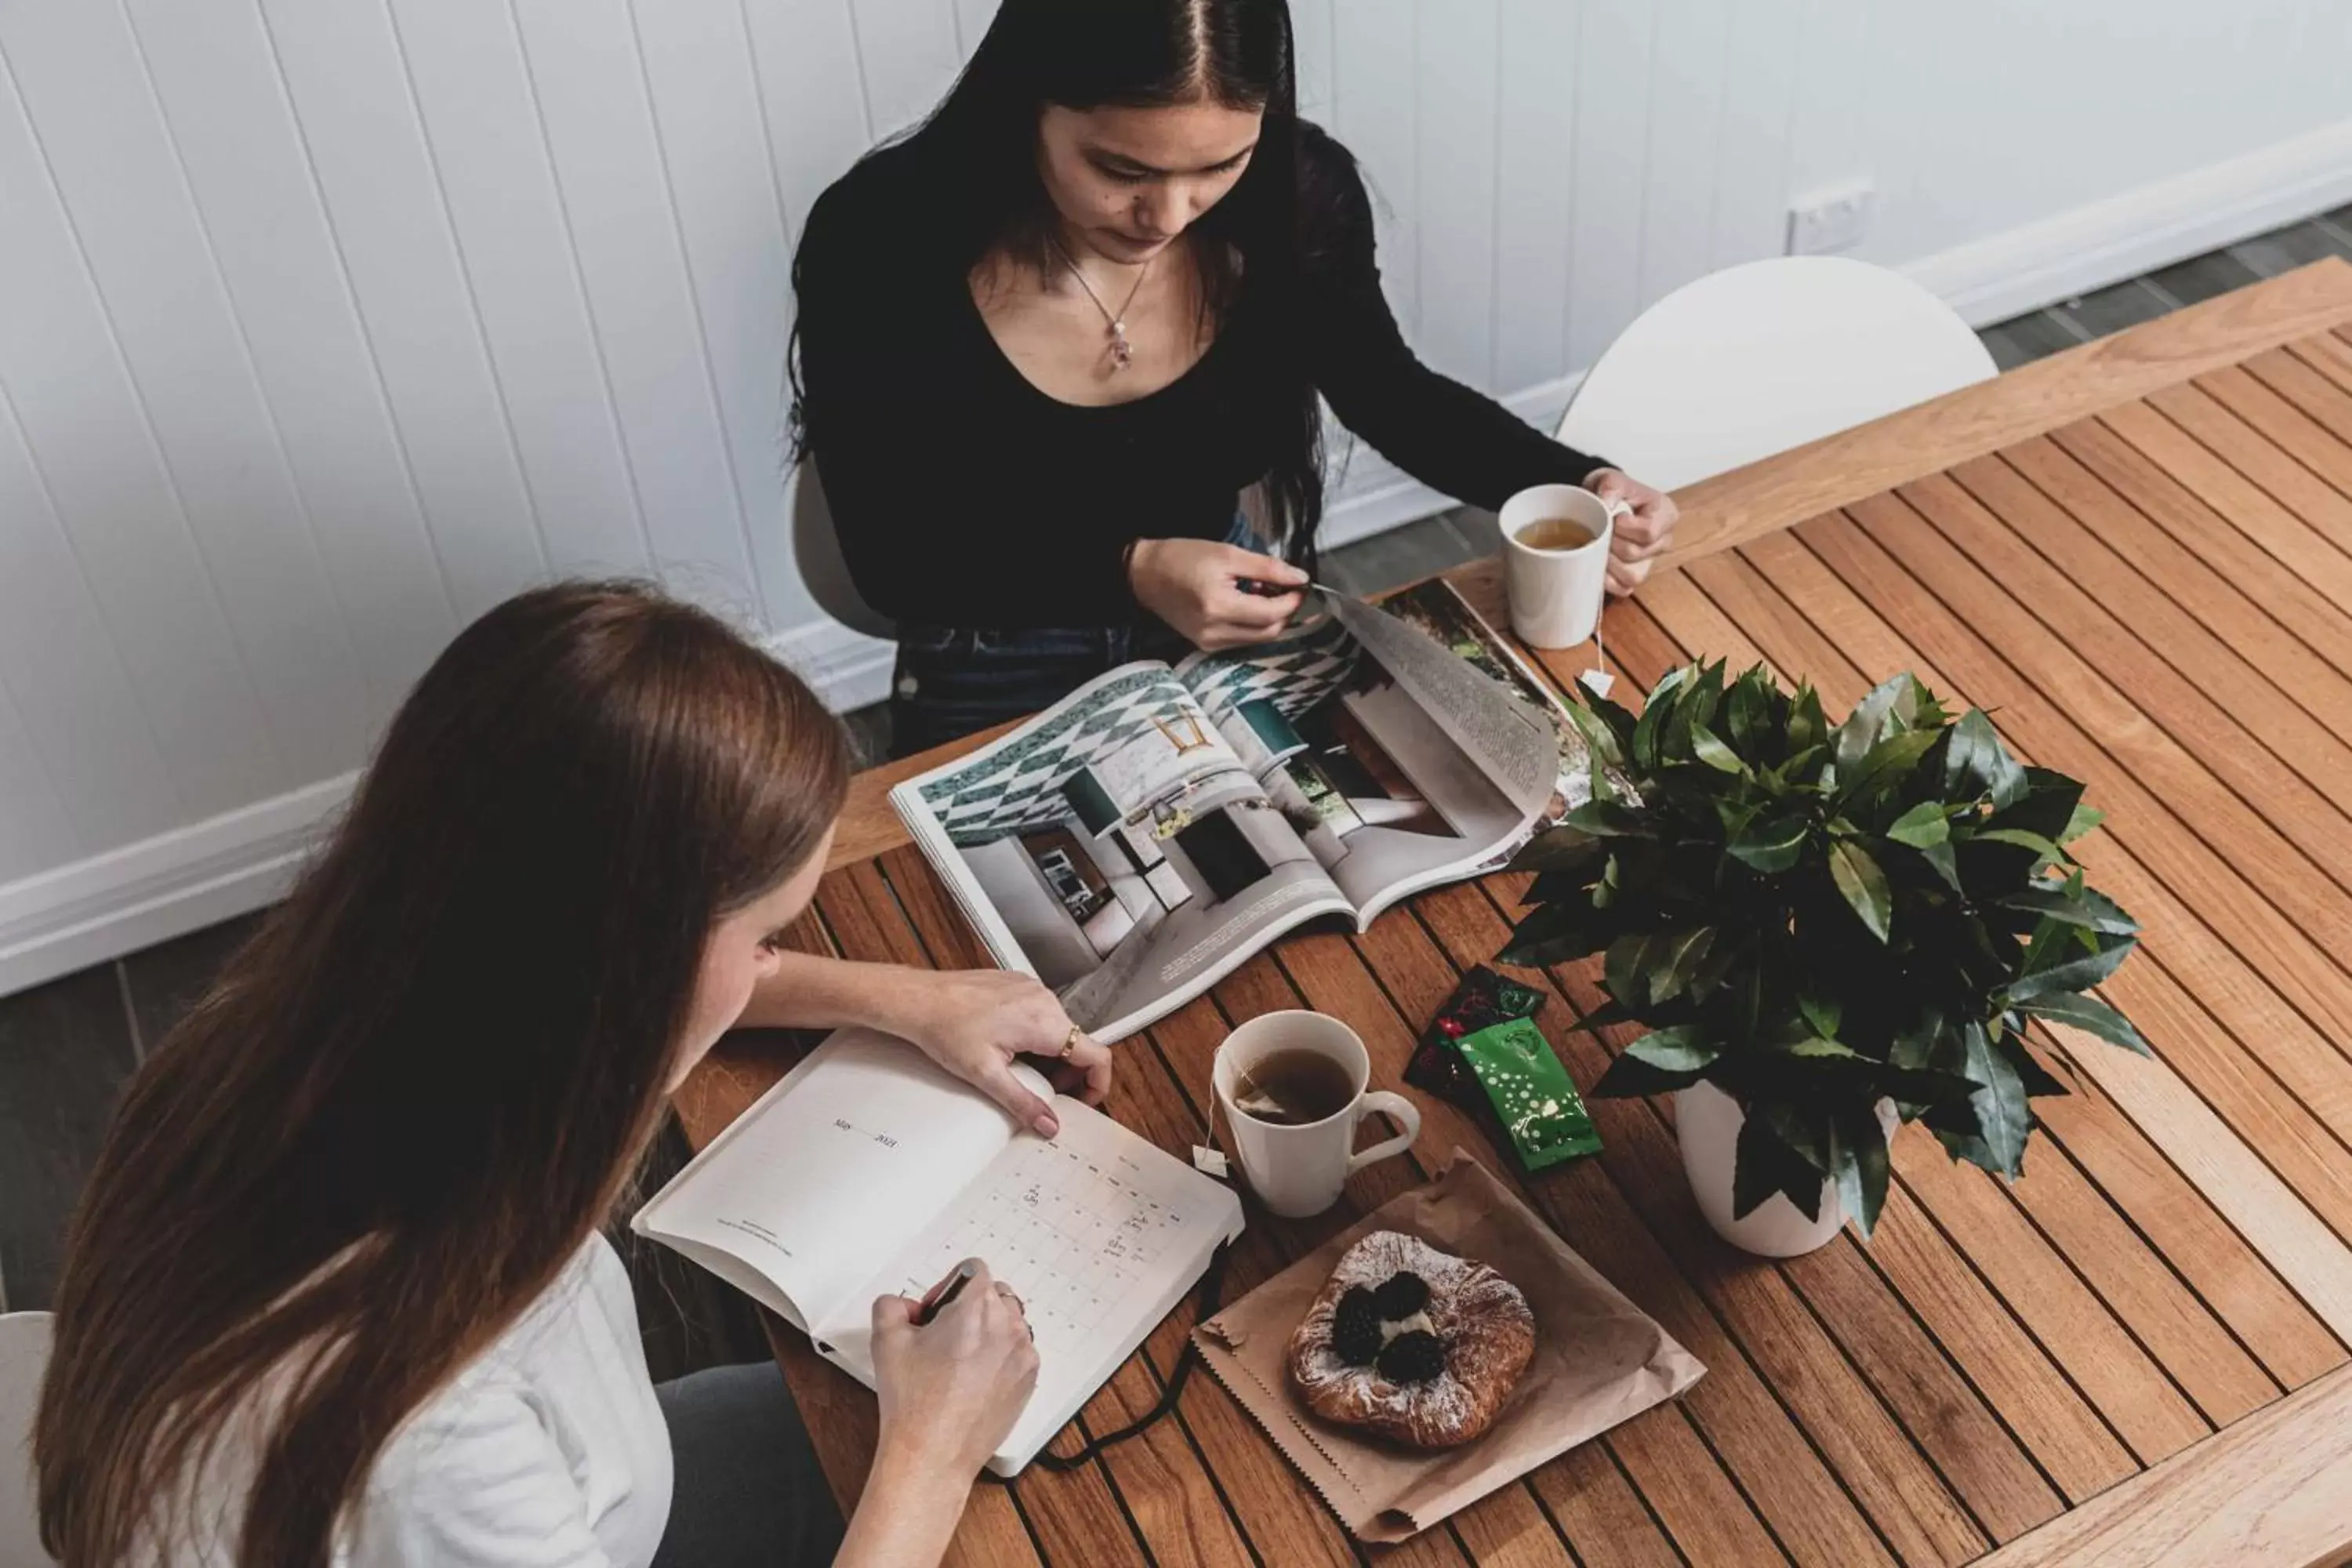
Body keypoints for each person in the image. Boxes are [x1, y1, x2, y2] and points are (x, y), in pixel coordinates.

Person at [34, 582, 1112, 1568]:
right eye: (770, 936)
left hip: (582, 1486)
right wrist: (926, 1452)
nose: (771, 967)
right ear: (636, 977)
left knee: (834, 1416)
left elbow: (585, 942)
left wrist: (903, 998)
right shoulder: (435, 1444)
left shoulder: (309, 1018)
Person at [791, 0, 1681, 757]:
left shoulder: (1297, 198)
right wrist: (1132, 570)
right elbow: (893, 553)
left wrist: (1577, 484)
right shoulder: (880, 242)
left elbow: (1390, 392)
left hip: (1223, 606)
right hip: (991, 633)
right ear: (1028, 100)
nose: (1167, 217)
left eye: (1218, 165)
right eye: (1121, 169)